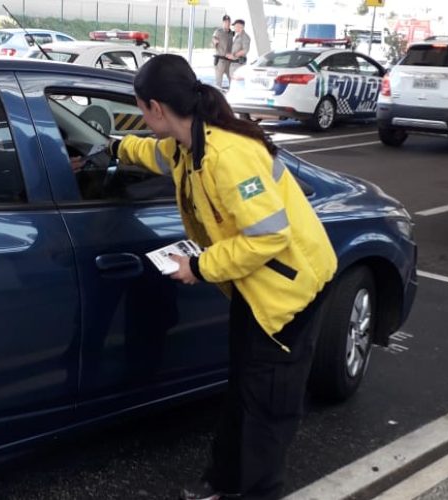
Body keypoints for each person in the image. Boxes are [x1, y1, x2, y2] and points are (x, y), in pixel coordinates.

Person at [109, 54, 338, 500]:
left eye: (140, 109)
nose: (140, 117)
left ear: (155, 107)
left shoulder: (227, 155)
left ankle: (255, 492)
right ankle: (224, 483)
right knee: (243, 391)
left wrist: (198, 267)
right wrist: (113, 148)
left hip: (288, 291)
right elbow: (151, 153)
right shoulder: (185, 143)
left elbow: (269, 237)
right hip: (255, 289)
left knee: (267, 410)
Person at [212, 14, 234, 89]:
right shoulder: (218, 32)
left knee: (232, 80)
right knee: (218, 82)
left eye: (228, 22)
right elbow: (213, 40)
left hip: (229, 61)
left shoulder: (232, 33)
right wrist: (214, 41)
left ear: (230, 23)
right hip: (220, 61)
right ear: (223, 22)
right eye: (225, 22)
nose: (227, 23)